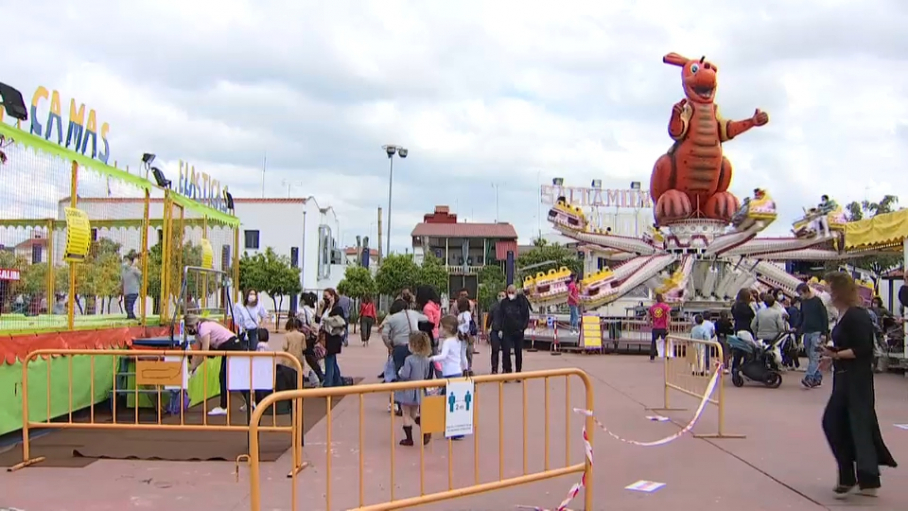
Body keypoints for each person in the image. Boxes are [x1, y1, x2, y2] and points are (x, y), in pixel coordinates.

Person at [820, 272, 897, 499]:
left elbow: (863, 349)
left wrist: (836, 355)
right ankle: (862, 477)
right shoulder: (845, 315)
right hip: (846, 377)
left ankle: (854, 476)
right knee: (850, 424)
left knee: (842, 423)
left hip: (856, 380)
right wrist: (832, 355)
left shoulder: (856, 315)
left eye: (829, 288)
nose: (827, 293)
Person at [185, 314, 251, 416]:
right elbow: (198, 352)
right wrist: (192, 367)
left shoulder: (204, 328)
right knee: (232, 377)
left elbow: (204, 352)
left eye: (188, 328)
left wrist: (193, 367)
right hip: (227, 347)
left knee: (224, 376)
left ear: (192, 324)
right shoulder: (198, 334)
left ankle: (224, 407)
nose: (188, 330)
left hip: (232, 346)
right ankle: (250, 401)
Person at [430, 315, 468, 439]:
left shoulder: (448, 341)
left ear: (447, 328)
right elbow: (463, 357)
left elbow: (443, 356)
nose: (439, 329)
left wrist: (430, 358)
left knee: (447, 402)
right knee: (456, 403)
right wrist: (466, 368)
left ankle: (450, 429)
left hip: (449, 375)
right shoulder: (458, 340)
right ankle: (457, 430)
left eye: (440, 326)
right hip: (457, 372)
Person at [394, 332, 433, 446]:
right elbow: (426, 374)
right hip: (419, 389)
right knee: (414, 413)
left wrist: (400, 371)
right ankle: (425, 427)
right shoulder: (426, 360)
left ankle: (409, 438)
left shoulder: (409, 359)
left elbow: (405, 374)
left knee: (405, 413)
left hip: (408, 388)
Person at [797, 282, 830, 388]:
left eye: (801, 293)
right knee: (811, 356)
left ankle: (809, 377)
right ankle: (817, 376)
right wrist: (797, 327)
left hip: (817, 332)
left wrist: (824, 333)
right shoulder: (804, 302)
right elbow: (801, 316)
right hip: (807, 331)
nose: (800, 296)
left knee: (814, 355)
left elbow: (824, 317)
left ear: (807, 291)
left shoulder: (817, 301)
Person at [382, 298, 427, 375]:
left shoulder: (391, 318)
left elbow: (384, 335)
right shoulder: (413, 313)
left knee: (400, 371)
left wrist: (390, 346)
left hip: (399, 347)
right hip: (415, 345)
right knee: (416, 371)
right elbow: (426, 318)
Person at [317, 288, 346, 387]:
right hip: (324, 337)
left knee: (329, 359)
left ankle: (328, 383)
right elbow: (318, 319)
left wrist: (328, 320)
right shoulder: (325, 308)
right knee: (332, 360)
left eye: (327, 296)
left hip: (333, 337)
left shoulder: (337, 309)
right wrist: (320, 308)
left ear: (332, 296)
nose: (325, 299)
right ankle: (337, 381)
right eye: (324, 296)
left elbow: (341, 323)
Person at [499, 284, 530, 374]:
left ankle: (518, 370)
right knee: (506, 351)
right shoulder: (504, 303)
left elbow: (526, 316)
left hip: (518, 331)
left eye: (512, 292)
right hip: (507, 331)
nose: (511, 294)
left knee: (518, 352)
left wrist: (523, 328)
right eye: (509, 293)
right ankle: (507, 370)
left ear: (516, 292)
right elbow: (501, 316)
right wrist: (501, 328)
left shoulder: (521, 302)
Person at [283, 316, 323, 385]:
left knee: (288, 373)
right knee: (299, 372)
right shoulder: (302, 335)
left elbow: (285, 347)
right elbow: (304, 347)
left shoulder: (287, 335)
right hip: (299, 357)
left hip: (289, 357)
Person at [648, 293, 671, 361]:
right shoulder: (666, 307)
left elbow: (648, 316)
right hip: (663, 327)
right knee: (665, 341)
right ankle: (667, 355)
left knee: (653, 342)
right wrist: (668, 326)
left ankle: (652, 356)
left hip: (655, 327)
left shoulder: (652, 307)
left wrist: (650, 324)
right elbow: (669, 317)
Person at [487, 291, 506, 374]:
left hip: (506, 331)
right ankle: (494, 369)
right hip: (495, 330)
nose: (501, 297)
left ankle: (505, 369)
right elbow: (489, 317)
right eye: (499, 296)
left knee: (506, 351)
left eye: (503, 296)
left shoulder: (508, 307)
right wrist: (488, 327)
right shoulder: (494, 307)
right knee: (495, 350)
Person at [455, 297, 474, 375]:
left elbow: (466, 324)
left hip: (463, 335)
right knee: (462, 352)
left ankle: (465, 369)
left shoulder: (465, 314)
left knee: (462, 352)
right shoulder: (463, 314)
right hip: (462, 335)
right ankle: (465, 368)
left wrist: (462, 331)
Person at [120, 253, 141, 320]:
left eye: (127, 260)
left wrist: (135, 266)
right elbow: (122, 279)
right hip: (127, 292)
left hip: (133, 291)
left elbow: (140, 274)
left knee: (129, 306)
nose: (126, 262)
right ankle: (131, 318)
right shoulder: (124, 270)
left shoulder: (134, 269)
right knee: (127, 307)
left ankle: (131, 319)